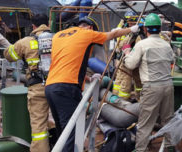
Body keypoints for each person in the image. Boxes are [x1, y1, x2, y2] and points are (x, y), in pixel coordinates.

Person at [45, 16, 139, 152]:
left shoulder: (59, 35)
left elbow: (67, 62)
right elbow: (112, 35)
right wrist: (131, 29)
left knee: (63, 131)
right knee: (72, 131)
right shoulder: (86, 33)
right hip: (67, 88)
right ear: (90, 27)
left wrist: (88, 78)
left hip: (51, 86)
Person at [123, 13, 175, 152]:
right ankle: (170, 148)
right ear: (159, 29)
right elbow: (172, 60)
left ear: (146, 29)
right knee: (168, 120)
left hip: (152, 88)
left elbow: (131, 65)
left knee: (145, 124)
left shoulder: (142, 44)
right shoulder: (166, 45)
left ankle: (141, 150)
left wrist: (127, 53)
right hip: (168, 86)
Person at [4, 14, 51, 151]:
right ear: (47, 24)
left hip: (37, 87)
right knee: (64, 120)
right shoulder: (58, 38)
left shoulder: (25, 41)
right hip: (58, 85)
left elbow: (9, 55)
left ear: (33, 26)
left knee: (39, 127)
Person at [112, 10, 142, 101]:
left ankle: (140, 98)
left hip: (136, 58)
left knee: (138, 80)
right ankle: (120, 99)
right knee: (124, 79)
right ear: (126, 21)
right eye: (129, 20)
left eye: (133, 20)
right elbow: (121, 45)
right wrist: (131, 35)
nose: (131, 23)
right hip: (124, 58)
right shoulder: (121, 30)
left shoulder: (140, 29)